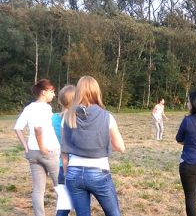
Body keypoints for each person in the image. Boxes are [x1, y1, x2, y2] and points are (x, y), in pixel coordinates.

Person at [61, 76, 125, 216]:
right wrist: (101, 145)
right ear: (96, 91)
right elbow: (121, 147)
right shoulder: (106, 116)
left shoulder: (68, 116)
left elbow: (64, 152)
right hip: (98, 172)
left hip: (73, 173)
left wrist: (67, 174)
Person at [14, 79, 60, 216]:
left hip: (33, 153)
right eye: (52, 92)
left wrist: (27, 148)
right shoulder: (45, 108)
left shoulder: (28, 108)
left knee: (38, 190)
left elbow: (17, 128)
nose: (54, 95)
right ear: (43, 92)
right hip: (49, 151)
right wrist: (43, 148)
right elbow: (38, 129)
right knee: (60, 187)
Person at [52, 85, 76, 216]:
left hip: (61, 165)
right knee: (81, 204)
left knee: (64, 203)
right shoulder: (77, 118)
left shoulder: (53, 119)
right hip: (76, 164)